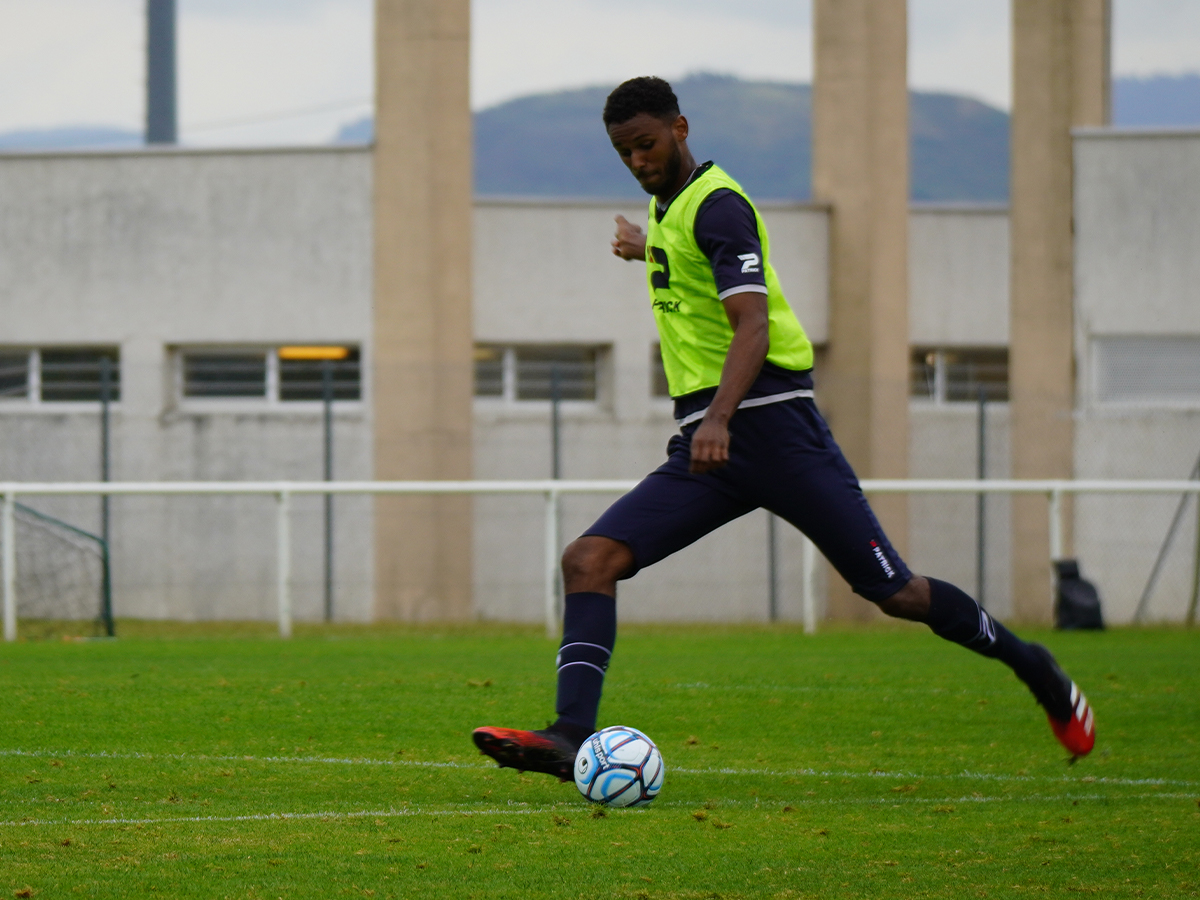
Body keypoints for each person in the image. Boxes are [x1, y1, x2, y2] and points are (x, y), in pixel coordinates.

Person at [472, 76, 1095, 780]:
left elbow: (754, 326)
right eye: (623, 153)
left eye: (646, 145)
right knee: (590, 560)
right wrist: (649, 250)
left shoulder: (720, 205)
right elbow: (700, 275)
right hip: (713, 447)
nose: (638, 161)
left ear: (680, 127)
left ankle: (1036, 669)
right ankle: (567, 736)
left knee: (897, 594)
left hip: (773, 431)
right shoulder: (672, 209)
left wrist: (719, 417)